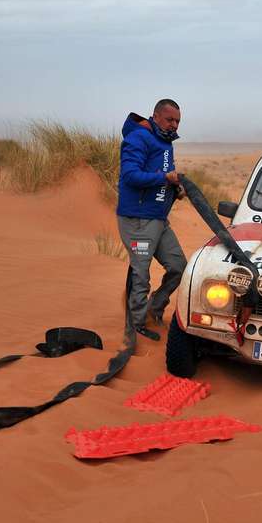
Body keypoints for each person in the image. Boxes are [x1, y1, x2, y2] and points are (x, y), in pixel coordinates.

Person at [116, 99, 187, 341]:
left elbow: (163, 174)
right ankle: (136, 327)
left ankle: (153, 310)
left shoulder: (165, 142)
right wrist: (164, 178)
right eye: (169, 120)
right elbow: (131, 175)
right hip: (138, 221)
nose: (174, 125)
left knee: (179, 267)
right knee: (141, 274)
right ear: (155, 116)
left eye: (177, 121)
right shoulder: (138, 138)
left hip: (158, 219)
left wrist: (174, 189)